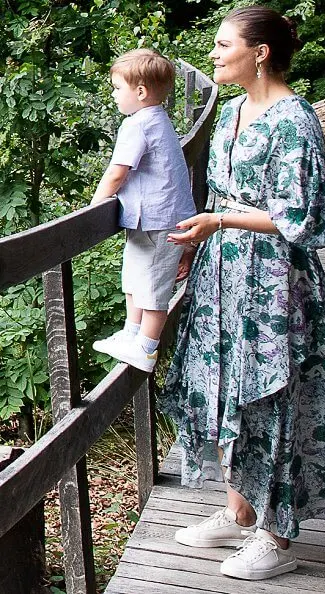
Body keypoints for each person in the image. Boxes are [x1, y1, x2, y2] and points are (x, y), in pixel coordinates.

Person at [161, 5, 325, 581]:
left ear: (259, 52)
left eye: (224, 43)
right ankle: (240, 509)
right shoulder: (232, 111)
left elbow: (304, 218)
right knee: (228, 389)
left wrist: (222, 223)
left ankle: (277, 539)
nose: (213, 54)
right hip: (223, 277)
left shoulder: (294, 119)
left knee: (274, 397)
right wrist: (196, 241)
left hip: (275, 285)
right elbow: (218, 196)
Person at [91, 49, 196, 373]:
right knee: (135, 276)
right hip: (155, 217)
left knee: (152, 285)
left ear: (139, 92)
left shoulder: (137, 125)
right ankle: (131, 334)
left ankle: (147, 349)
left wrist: (94, 208)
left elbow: (117, 172)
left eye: (117, 88)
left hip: (159, 218)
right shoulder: (158, 119)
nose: (113, 95)